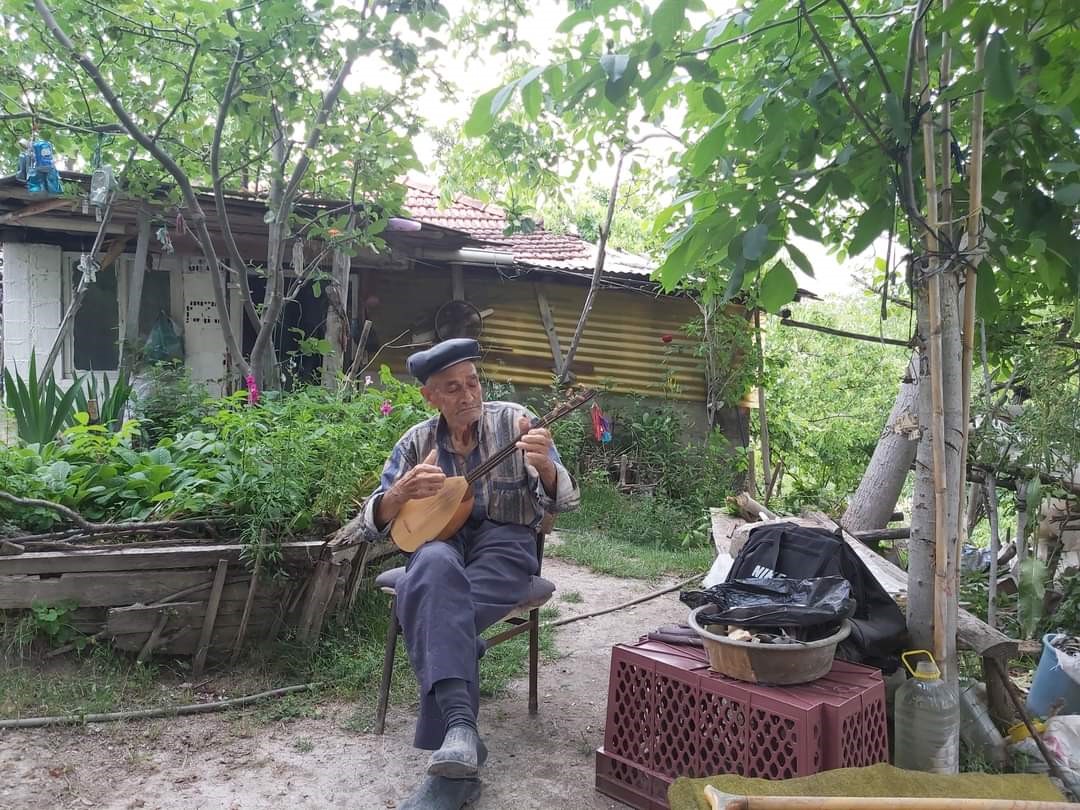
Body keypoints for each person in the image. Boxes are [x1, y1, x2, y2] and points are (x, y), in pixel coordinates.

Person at [360, 338, 580, 809]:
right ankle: (461, 740)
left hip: (506, 545)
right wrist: (399, 494)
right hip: (443, 546)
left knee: (438, 606)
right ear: (430, 397)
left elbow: (565, 500)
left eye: (473, 382)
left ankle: (454, 761)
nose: (468, 396)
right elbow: (371, 524)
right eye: (452, 387)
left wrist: (544, 468)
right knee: (433, 562)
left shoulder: (515, 422)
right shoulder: (415, 443)